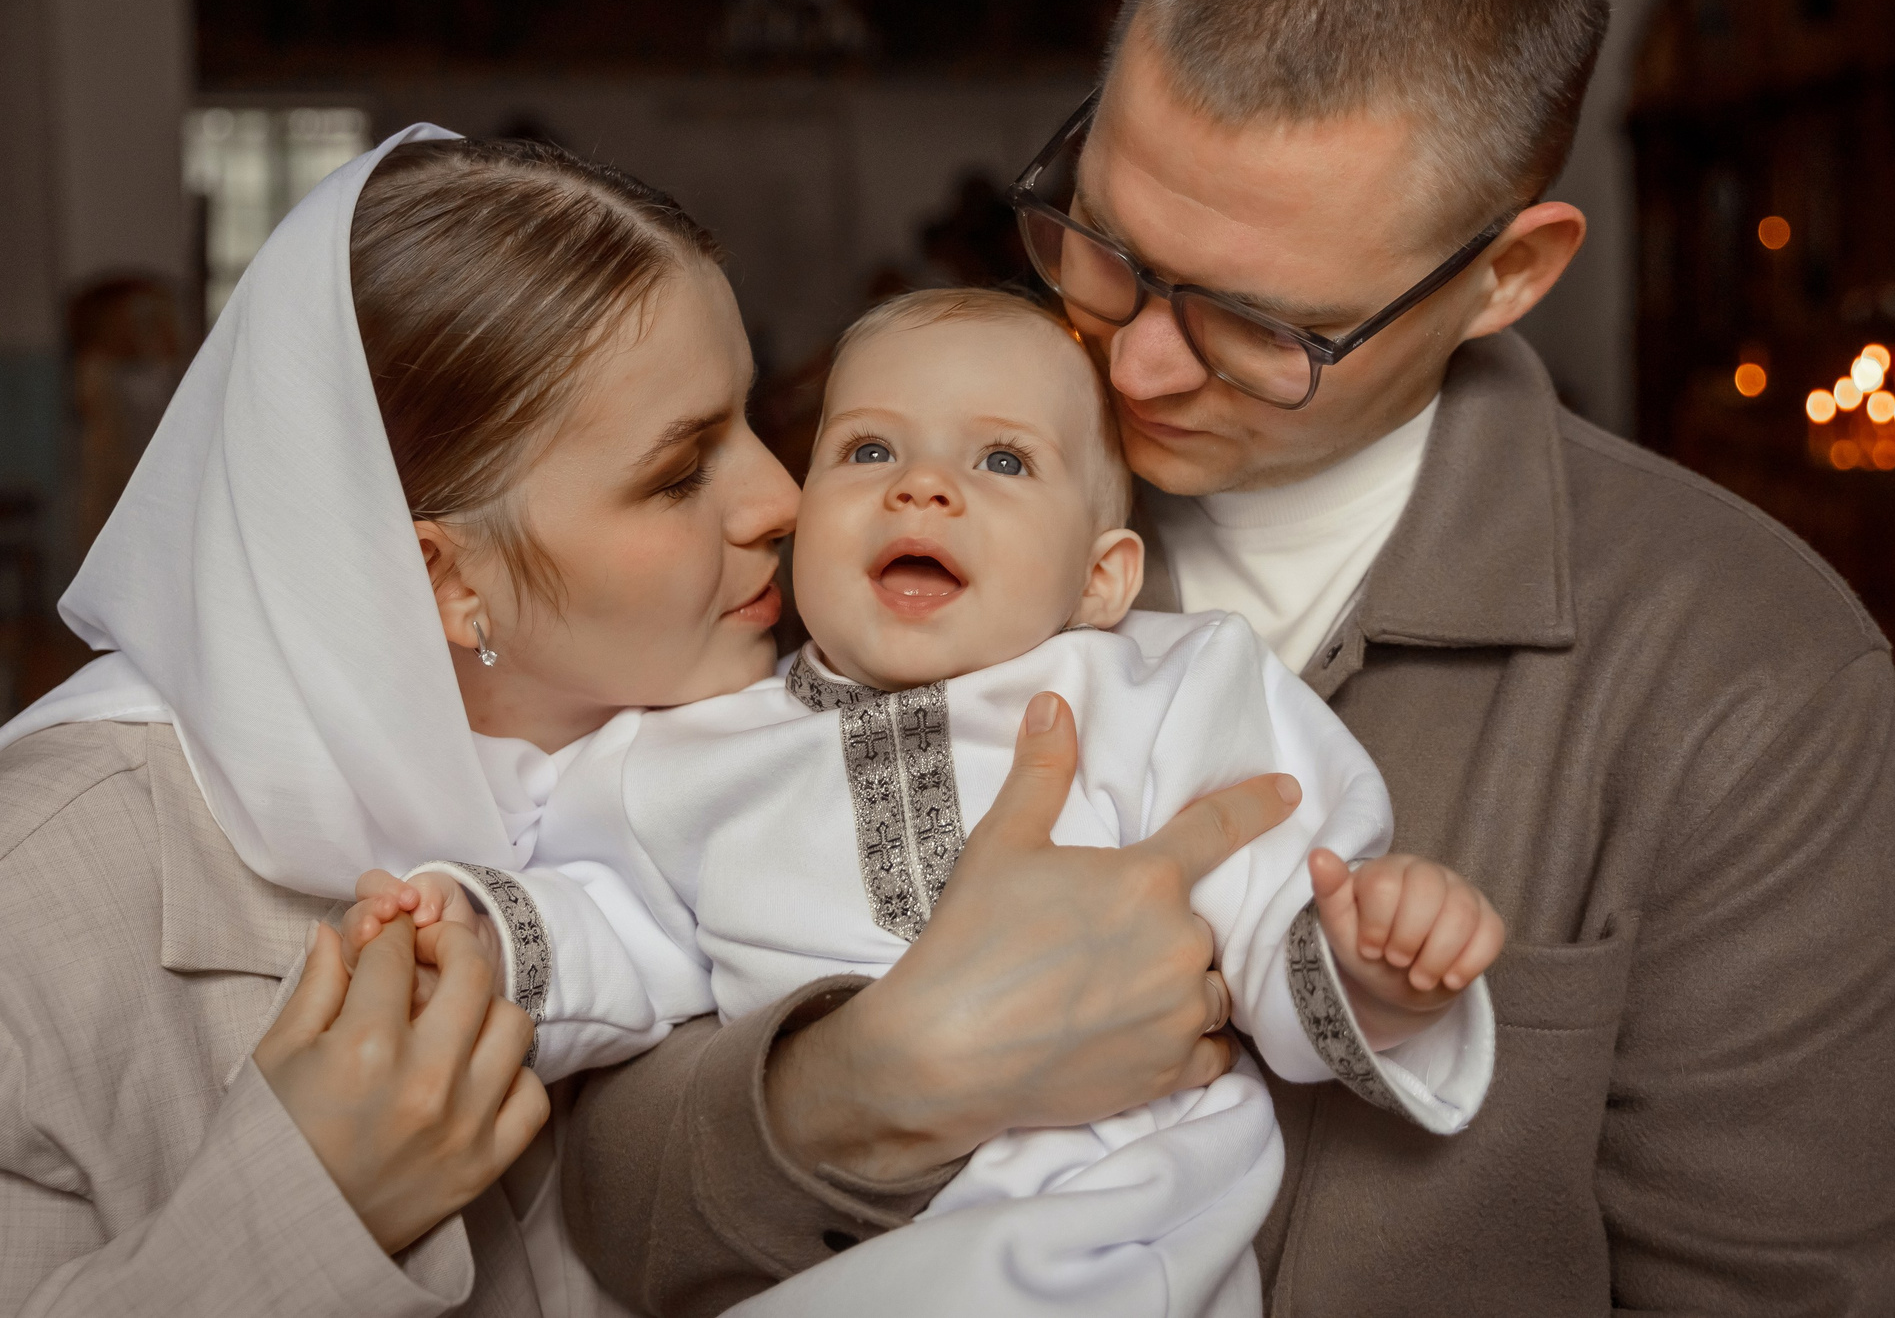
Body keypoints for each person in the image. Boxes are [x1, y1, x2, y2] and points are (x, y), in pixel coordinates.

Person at [556, 0, 1895, 1316]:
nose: (1141, 362)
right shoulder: (874, 516)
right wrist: (876, 1078)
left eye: (1263, 323)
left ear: (1508, 274)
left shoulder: (1740, 669)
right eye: (1099, 237)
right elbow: (595, 1194)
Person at [0, 132, 1311, 1316]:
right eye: (677, 467)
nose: (779, 498)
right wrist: (307, 1206)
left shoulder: (793, 729)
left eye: (756, 428)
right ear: (444, 581)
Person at [349, 287, 1504, 1315]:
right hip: (822, 1245)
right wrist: (488, 936)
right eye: (865, 452)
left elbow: (1273, 883)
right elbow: (614, 926)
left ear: (1102, 578)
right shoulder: (677, 757)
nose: (922, 486)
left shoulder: (1161, 687)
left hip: (1109, 1214)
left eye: (1001, 463)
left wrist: (1366, 969)